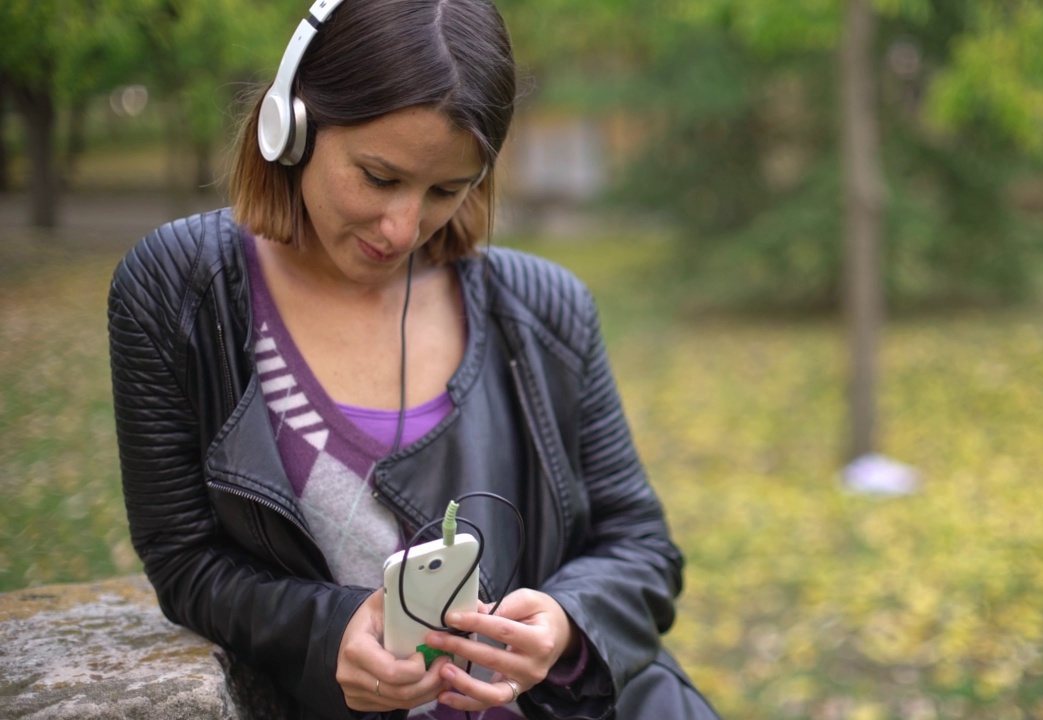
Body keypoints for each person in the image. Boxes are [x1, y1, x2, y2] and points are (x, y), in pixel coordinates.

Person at [106, 1, 719, 719]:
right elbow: (184, 562)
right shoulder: (178, 291)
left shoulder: (550, 309)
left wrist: (567, 622)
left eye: (446, 191)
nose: (402, 229)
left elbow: (642, 547)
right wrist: (328, 632)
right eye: (378, 176)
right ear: (291, 125)